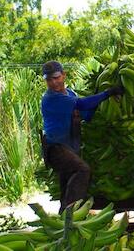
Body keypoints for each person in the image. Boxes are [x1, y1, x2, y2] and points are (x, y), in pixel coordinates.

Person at [40, 61, 123, 213]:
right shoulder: (51, 98)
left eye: (56, 78)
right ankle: (71, 214)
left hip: (71, 147)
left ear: (63, 75)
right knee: (82, 170)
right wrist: (106, 93)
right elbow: (82, 105)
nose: (53, 82)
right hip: (56, 148)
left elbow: (86, 115)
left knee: (67, 187)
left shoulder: (70, 94)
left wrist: (97, 102)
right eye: (49, 79)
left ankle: (64, 220)